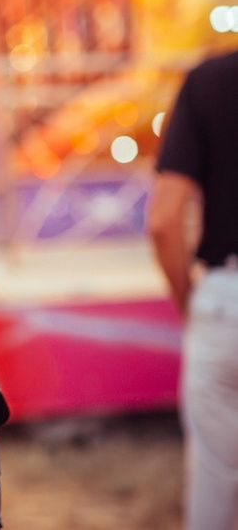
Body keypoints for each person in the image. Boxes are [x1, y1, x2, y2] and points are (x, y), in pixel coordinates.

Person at [148, 50, 238, 530]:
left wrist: (191, 303)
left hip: (226, 299)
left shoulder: (211, 79)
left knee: (215, 484)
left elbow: (164, 222)